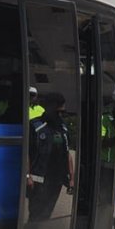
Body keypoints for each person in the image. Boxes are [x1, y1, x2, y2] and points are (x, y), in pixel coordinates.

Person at [27, 92, 73, 220]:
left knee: (47, 213)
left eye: (62, 112)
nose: (60, 115)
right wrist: (27, 176)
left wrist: (71, 178)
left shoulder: (63, 128)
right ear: (48, 107)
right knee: (36, 214)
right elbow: (27, 154)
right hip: (38, 180)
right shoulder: (35, 126)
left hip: (56, 180)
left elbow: (67, 153)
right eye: (58, 112)